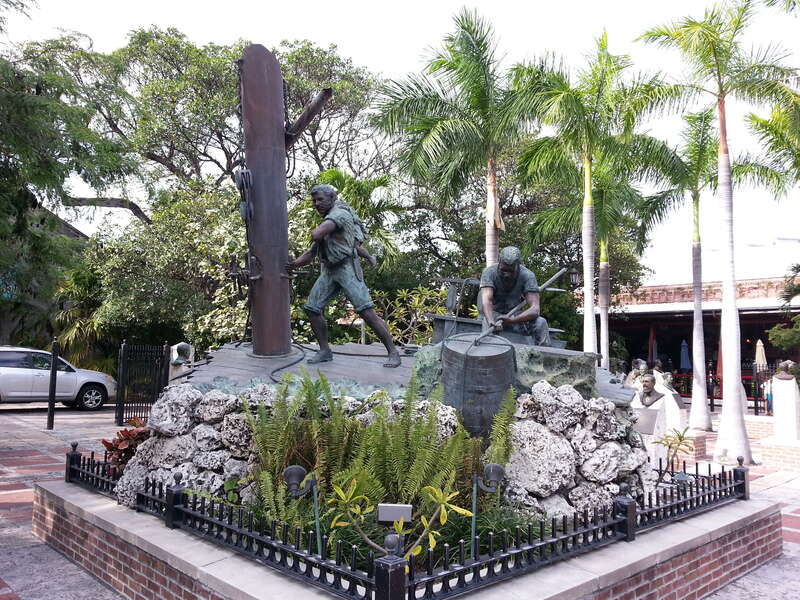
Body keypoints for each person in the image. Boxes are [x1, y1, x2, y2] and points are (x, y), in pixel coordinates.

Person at [286, 184, 401, 368]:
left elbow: (317, 233)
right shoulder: (328, 218)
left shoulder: (339, 214)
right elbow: (311, 253)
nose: (316, 204)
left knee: (366, 311)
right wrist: (292, 265)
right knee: (312, 308)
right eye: (314, 200)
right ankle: (325, 351)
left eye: (320, 199)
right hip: (329, 271)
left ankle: (393, 353)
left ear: (332, 198)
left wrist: (316, 231)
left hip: (347, 268)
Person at [478, 246, 551, 346]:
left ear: (518, 265)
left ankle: (544, 357)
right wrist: (491, 321)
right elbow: (487, 301)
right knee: (486, 324)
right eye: (504, 270)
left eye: (511, 271)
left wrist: (512, 320)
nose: (507, 274)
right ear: (499, 262)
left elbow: (535, 309)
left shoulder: (528, 276)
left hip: (516, 318)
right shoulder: (489, 273)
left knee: (541, 323)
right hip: (495, 316)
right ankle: (486, 355)